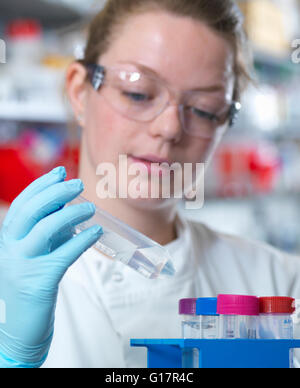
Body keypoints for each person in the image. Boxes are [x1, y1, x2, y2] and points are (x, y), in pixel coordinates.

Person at [1, 0, 300, 368]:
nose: (170, 128)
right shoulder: (10, 278)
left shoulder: (280, 288)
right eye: (138, 93)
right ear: (80, 91)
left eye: (204, 109)